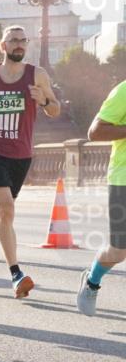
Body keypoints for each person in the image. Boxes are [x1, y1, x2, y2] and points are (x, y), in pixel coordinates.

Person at [0, 25, 60, 298]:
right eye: (13, 40)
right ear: (3, 45)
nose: (19, 44)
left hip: (21, 155)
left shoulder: (37, 75)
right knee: (6, 209)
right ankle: (16, 274)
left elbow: (55, 109)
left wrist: (43, 100)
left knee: (0, 213)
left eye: (23, 40)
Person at [77, 80, 126, 315]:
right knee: (119, 251)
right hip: (123, 179)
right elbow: (95, 131)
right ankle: (92, 280)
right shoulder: (123, 90)